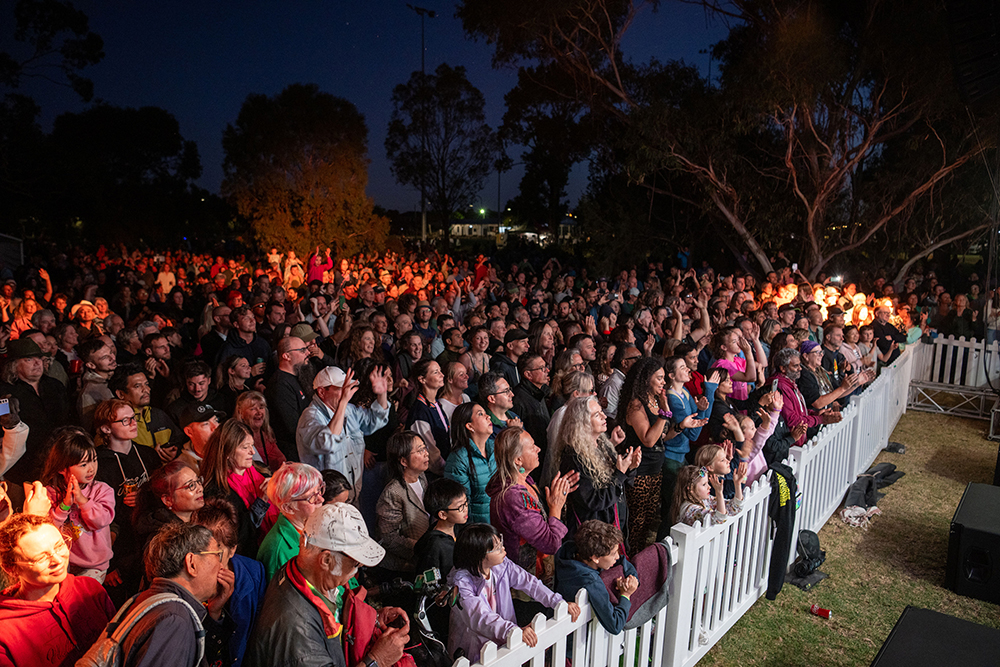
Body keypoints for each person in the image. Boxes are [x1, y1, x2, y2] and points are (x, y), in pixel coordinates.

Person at [245, 502, 411, 667]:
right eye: (355, 563)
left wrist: (370, 619)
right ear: (326, 560)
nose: (358, 570)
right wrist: (378, 660)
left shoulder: (298, 571)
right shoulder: (296, 629)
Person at [448, 523, 581, 660]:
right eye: (497, 548)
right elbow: (479, 616)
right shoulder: (462, 583)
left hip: (503, 639)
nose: (503, 549)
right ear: (479, 555)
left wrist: (558, 602)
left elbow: (530, 583)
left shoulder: (501, 565)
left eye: (501, 543)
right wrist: (509, 630)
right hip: (474, 648)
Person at [0, 514, 116, 667]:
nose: (58, 560)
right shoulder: (6, 632)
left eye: (59, 546)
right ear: (11, 569)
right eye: (41, 558)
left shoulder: (89, 589)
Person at [115, 521, 235, 667]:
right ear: (192, 563)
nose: (222, 566)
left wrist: (214, 613)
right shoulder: (174, 620)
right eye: (217, 554)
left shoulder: (145, 599)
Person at [620, 357, 695, 554]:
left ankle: (642, 563)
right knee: (636, 523)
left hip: (656, 470)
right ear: (646, 379)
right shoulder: (636, 405)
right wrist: (664, 413)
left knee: (649, 522)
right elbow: (648, 439)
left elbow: (663, 436)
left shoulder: (655, 400)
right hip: (640, 473)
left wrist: (680, 426)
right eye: (660, 378)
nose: (664, 382)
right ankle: (630, 562)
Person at [487, 427, 577, 584]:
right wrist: (556, 507)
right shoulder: (514, 498)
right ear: (518, 460)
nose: (539, 449)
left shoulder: (525, 480)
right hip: (527, 582)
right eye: (532, 446)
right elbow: (550, 543)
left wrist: (557, 496)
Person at [192, 497, 267, 667]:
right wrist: (213, 614)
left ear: (232, 549)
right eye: (199, 552)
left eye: (216, 554)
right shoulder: (189, 581)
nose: (205, 563)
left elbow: (259, 633)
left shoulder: (255, 573)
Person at [297, 366, 389, 503]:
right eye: (341, 389)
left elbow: (374, 421)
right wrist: (343, 402)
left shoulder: (349, 410)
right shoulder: (310, 417)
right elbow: (328, 443)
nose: (347, 393)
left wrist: (381, 394)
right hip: (326, 500)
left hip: (352, 493)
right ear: (322, 391)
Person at [550, 396, 637, 537]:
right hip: (594, 533)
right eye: (597, 415)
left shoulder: (603, 443)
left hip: (612, 523)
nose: (604, 416)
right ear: (582, 423)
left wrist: (630, 468)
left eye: (602, 411)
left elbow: (621, 485)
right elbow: (593, 501)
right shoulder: (574, 457)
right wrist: (620, 473)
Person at [3, 338, 72, 504]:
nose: (37, 363)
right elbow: (4, 422)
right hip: (24, 469)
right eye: (29, 359)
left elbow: (71, 418)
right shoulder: (4, 392)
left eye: (40, 359)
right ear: (14, 365)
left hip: (60, 463)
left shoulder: (55, 386)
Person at [42, 426, 115, 583]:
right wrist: (64, 506)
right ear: (62, 468)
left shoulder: (102, 490)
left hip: (95, 564)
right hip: (64, 562)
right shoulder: (50, 493)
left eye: (94, 460)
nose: (91, 469)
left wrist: (82, 500)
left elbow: (100, 521)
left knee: (82, 601)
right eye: (83, 465)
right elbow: (48, 529)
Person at [202, 419, 278, 556]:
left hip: (275, 543)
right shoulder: (216, 492)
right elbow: (238, 535)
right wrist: (261, 501)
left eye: (252, 445)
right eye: (245, 447)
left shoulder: (261, 471)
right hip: (250, 555)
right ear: (227, 452)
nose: (252, 452)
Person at [554, 520, 638, 634]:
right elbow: (615, 624)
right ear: (595, 558)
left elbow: (622, 561)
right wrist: (626, 595)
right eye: (613, 553)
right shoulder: (591, 582)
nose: (618, 556)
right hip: (574, 638)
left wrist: (632, 578)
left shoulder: (571, 552)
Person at [375, 430, 430, 577]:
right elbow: (389, 538)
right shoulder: (393, 493)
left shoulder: (422, 477)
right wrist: (422, 548)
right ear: (403, 461)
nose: (426, 453)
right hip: (403, 566)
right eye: (419, 450)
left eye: (424, 448)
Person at [256, 462, 324, 580]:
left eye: (320, 490)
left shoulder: (311, 524)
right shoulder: (278, 552)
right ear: (288, 508)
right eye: (312, 497)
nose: (321, 499)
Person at [768, 347, 842, 446]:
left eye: (799, 365)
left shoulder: (789, 382)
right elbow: (792, 420)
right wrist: (820, 419)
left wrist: (815, 414)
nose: (800, 368)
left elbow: (798, 411)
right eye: (796, 366)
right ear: (783, 368)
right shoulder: (781, 386)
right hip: (789, 443)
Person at [110, 362, 182, 463]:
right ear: (121, 394)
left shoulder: (158, 415)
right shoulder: (116, 424)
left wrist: (175, 451)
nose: (146, 390)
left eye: (147, 384)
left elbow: (179, 440)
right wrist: (152, 456)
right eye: (137, 386)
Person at [444, 402, 497, 524]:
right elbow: (461, 505)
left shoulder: (496, 447)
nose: (488, 416)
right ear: (469, 426)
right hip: (478, 528)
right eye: (480, 414)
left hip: (501, 521)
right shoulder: (458, 459)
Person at [264, 336, 311, 462]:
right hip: (293, 454)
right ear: (286, 356)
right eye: (302, 350)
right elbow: (292, 426)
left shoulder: (299, 376)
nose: (308, 353)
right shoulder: (279, 384)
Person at [414, 477, 469, 577]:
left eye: (466, 503)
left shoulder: (458, 528)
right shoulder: (435, 544)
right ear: (443, 515)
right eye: (460, 507)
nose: (465, 509)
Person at [405, 359, 451, 473]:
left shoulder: (436, 404)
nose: (442, 375)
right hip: (432, 473)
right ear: (422, 379)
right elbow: (430, 451)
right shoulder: (420, 411)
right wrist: (448, 470)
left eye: (440, 371)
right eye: (436, 372)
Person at [671, 464, 747, 527]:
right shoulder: (690, 510)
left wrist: (737, 485)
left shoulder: (706, 500)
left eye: (708, 483)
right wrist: (719, 493)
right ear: (690, 489)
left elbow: (734, 508)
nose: (709, 487)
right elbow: (720, 518)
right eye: (704, 484)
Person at [233, 391, 286, 472]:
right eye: (253, 409)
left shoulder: (266, 434)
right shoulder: (237, 438)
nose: (259, 412)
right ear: (241, 413)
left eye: (261, 407)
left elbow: (280, 460)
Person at [512, 353, 551, 454]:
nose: (547, 370)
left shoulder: (539, 392)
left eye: (546, 366)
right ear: (528, 374)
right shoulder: (518, 399)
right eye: (542, 368)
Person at [76, 338, 117, 430]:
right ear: (91, 365)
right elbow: (90, 427)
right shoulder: (88, 394)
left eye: (111, 352)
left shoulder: (117, 377)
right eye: (105, 357)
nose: (112, 358)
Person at [478, 371, 522, 437]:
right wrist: (512, 431)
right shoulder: (486, 425)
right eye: (506, 391)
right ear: (492, 399)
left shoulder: (514, 416)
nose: (512, 394)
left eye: (510, 389)